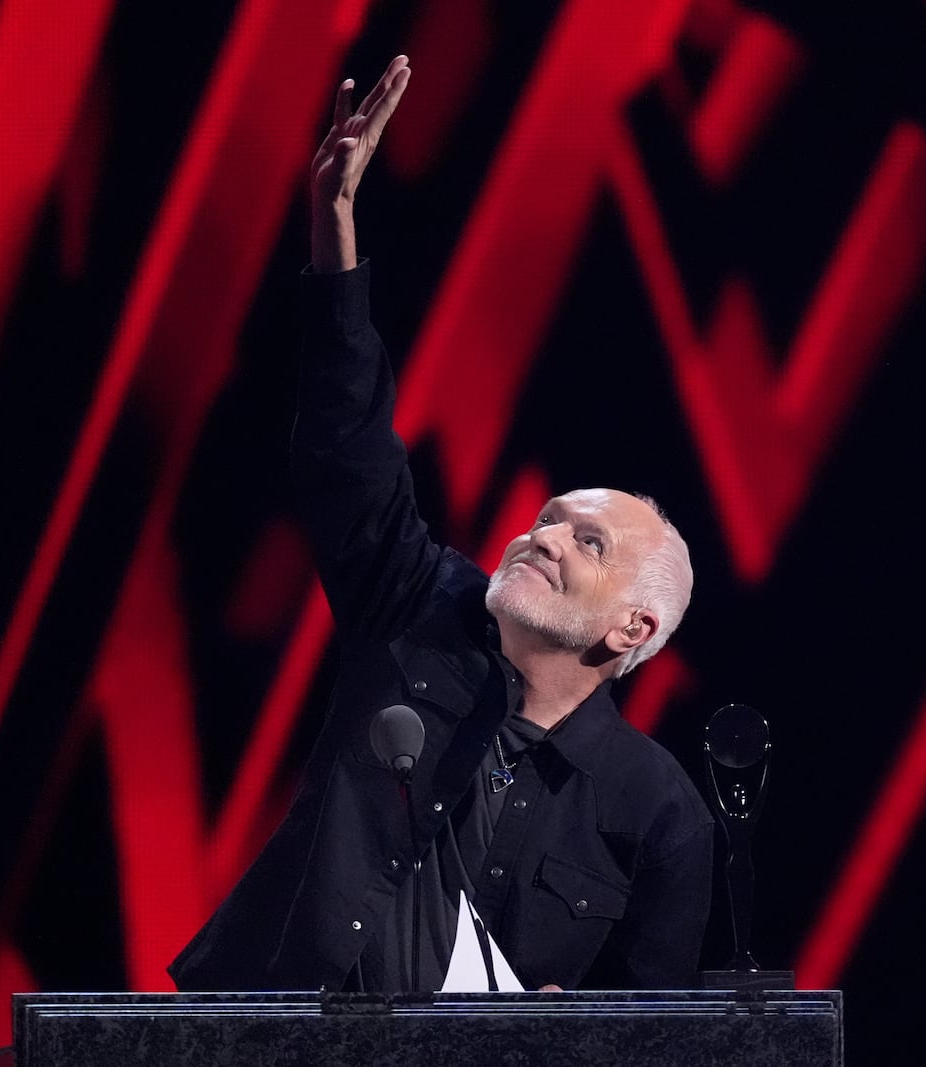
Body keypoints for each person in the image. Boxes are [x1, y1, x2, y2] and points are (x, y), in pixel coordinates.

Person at [168, 55, 713, 994]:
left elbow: (655, 1030)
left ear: (636, 629)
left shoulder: (657, 811)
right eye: (547, 519)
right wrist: (334, 233)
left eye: (588, 542)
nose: (542, 536)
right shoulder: (419, 607)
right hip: (261, 1035)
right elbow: (347, 452)